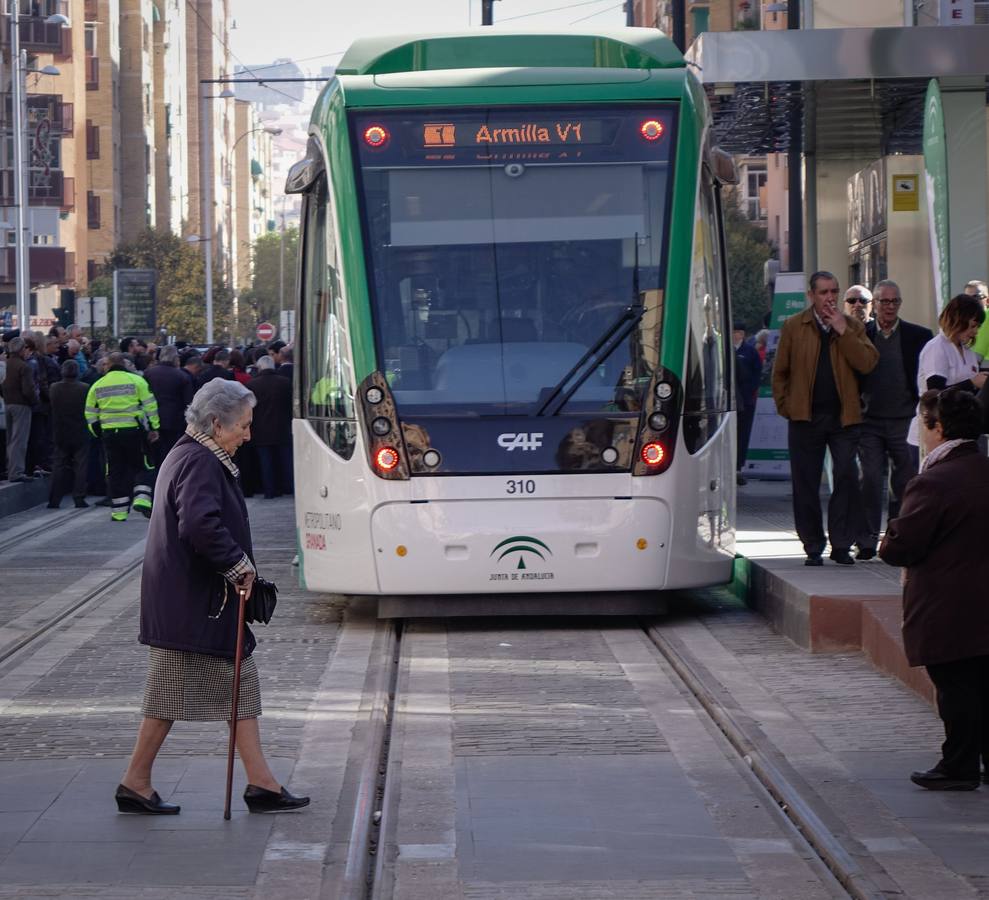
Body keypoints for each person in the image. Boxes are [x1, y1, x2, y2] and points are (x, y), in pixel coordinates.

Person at [115, 379, 309, 815]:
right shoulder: (199, 460)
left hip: (192, 603)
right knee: (177, 696)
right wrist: (238, 566)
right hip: (196, 604)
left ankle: (259, 783)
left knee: (229, 690)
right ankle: (137, 780)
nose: (248, 434)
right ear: (217, 424)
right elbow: (200, 525)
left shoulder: (192, 454)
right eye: (243, 426)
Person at [879, 388, 989, 791]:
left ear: (938, 429)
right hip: (979, 600)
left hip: (950, 604)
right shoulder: (982, 468)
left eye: (923, 425)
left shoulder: (933, 482)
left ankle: (958, 765)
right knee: (983, 682)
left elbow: (903, 546)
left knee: (956, 684)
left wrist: (889, 535)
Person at [771, 271, 879, 566]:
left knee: (846, 477)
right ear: (811, 296)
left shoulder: (853, 326)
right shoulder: (795, 326)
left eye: (834, 291)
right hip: (805, 417)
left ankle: (842, 544)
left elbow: (868, 363)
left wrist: (843, 330)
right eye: (823, 292)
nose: (830, 297)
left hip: (844, 417)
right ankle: (813, 545)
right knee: (805, 483)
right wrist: (787, 407)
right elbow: (780, 372)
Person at [855, 280, 933, 559]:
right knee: (870, 479)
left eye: (894, 301)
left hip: (905, 419)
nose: (889, 307)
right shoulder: (860, 334)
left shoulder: (918, 336)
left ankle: (897, 539)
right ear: (874, 304)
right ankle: (866, 541)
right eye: (883, 301)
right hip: (869, 421)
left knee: (904, 482)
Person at [85, 351, 160, 521]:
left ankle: (119, 512)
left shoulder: (98, 385)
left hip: (110, 434)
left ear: (108, 365)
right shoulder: (137, 381)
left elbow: (90, 413)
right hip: (134, 431)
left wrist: (97, 431)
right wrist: (154, 428)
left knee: (115, 471)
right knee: (143, 465)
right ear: (124, 364)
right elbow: (151, 406)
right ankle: (142, 499)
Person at [909, 293, 986, 448]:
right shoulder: (937, 348)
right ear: (959, 321)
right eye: (973, 326)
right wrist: (972, 383)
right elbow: (935, 393)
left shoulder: (967, 351)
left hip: (955, 434)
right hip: (932, 436)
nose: (975, 332)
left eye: (978, 327)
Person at [247, 355, 294, 498]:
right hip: (282, 428)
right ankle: (289, 487)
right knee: (286, 460)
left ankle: (270, 490)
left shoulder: (252, 385)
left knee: (265, 462)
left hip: (261, 430)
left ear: (260, 368)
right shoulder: (285, 382)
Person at [47, 359, 91, 508]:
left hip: (60, 432)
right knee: (81, 465)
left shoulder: (54, 388)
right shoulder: (85, 388)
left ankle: (54, 499)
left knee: (58, 465)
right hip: (80, 431)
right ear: (77, 372)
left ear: (62, 371)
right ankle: (79, 497)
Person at [143, 344, 194, 467]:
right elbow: (188, 402)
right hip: (174, 422)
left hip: (151, 420)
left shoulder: (148, 373)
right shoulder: (182, 376)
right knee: (171, 455)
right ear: (176, 358)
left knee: (155, 455)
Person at [1, 336, 35, 482]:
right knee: (19, 439)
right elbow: (28, 389)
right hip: (22, 405)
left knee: (10, 439)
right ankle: (17, 472)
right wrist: (35, 401)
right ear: (22, 350)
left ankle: (10, 469)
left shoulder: (6, 364)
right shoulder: (24, 366)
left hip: (8, 404)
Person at [733, 321, 762, 486]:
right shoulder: (724, 350)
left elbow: (757, 374)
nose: (735, 335)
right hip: (729, 402)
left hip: (746, 401)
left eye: (737, 332)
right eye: (733, 331)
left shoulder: (750, 352)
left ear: (743, 334)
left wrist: (750, 391)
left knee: (742, 436)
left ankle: (739, 469)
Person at [964, 280, 989, 359]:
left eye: (976, 297)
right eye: (967, 298)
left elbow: (978, 354)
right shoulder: (965, 320)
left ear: (987, 300)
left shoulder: (986, 317)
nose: (971, 301)